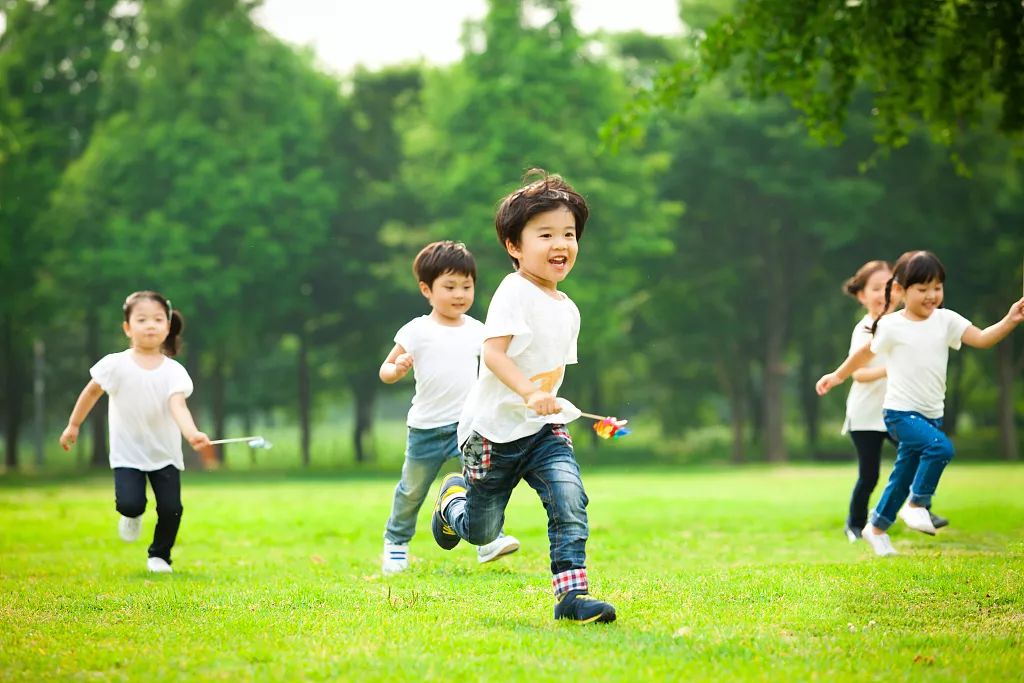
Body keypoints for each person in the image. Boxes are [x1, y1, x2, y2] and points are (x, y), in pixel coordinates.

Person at [430, 169, 616, 624]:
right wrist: (529, 391)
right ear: (514, 246)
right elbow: (493, 354)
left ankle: (572, 596)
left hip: (541, 430)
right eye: (546, 234)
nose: (561, 244)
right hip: (491, 432)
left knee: (569, 496)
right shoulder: (514, 291)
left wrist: (547, 401)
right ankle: (453, 502)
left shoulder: (568, 309)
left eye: (569, 234)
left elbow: (550, 372)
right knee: (482, 529)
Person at [817, 251, 1024, 556]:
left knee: (901, 476)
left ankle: (875, 529)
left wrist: (1010, 319)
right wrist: (837, 376)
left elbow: (981, 338)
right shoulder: (891, 325)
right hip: (900, 413)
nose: (931, 296)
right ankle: (917, 503)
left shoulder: (946, 320)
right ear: (901, 290)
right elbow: (862, 354)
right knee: (941, 448)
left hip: (931, 414)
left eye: (937, 287)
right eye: (923, 289)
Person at [379, 241, 520, 575]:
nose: (460, 294)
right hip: (425, 428)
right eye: (450, 286)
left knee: (482, 484)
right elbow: (384, 370)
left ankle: (488, 539)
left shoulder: (479, 331)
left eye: (467, 286)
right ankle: (396, 543)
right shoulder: (416, 331)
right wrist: (397, 369)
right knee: (412, 490)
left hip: (468, 427)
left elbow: (497, 367)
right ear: (427, 289)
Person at [59, 291, 210, 573]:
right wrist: (74, 424)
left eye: (157, 319)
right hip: (127, 453)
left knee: (171, 508)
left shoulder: (174, 371)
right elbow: (91, 393)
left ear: (167, 326)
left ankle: (159, 556)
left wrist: (192, 434)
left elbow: (178, 406)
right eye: (142, 319)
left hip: (164, 454)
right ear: (128, 327)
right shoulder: (115, 364)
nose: (150, 325)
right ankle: (132, 516)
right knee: (130, 504)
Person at [838, 260, 950, 543]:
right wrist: (893, 369)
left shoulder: (903, 325)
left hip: (898, 411)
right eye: (876, 288)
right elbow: (859, 373)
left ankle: (920, 507)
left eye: (888, 286)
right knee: (869, 475)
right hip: (865, 415)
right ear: (862, 295)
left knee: (916, 456)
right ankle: (855, 524)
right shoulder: (864, 329)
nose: (883, 293)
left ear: (899, 290)